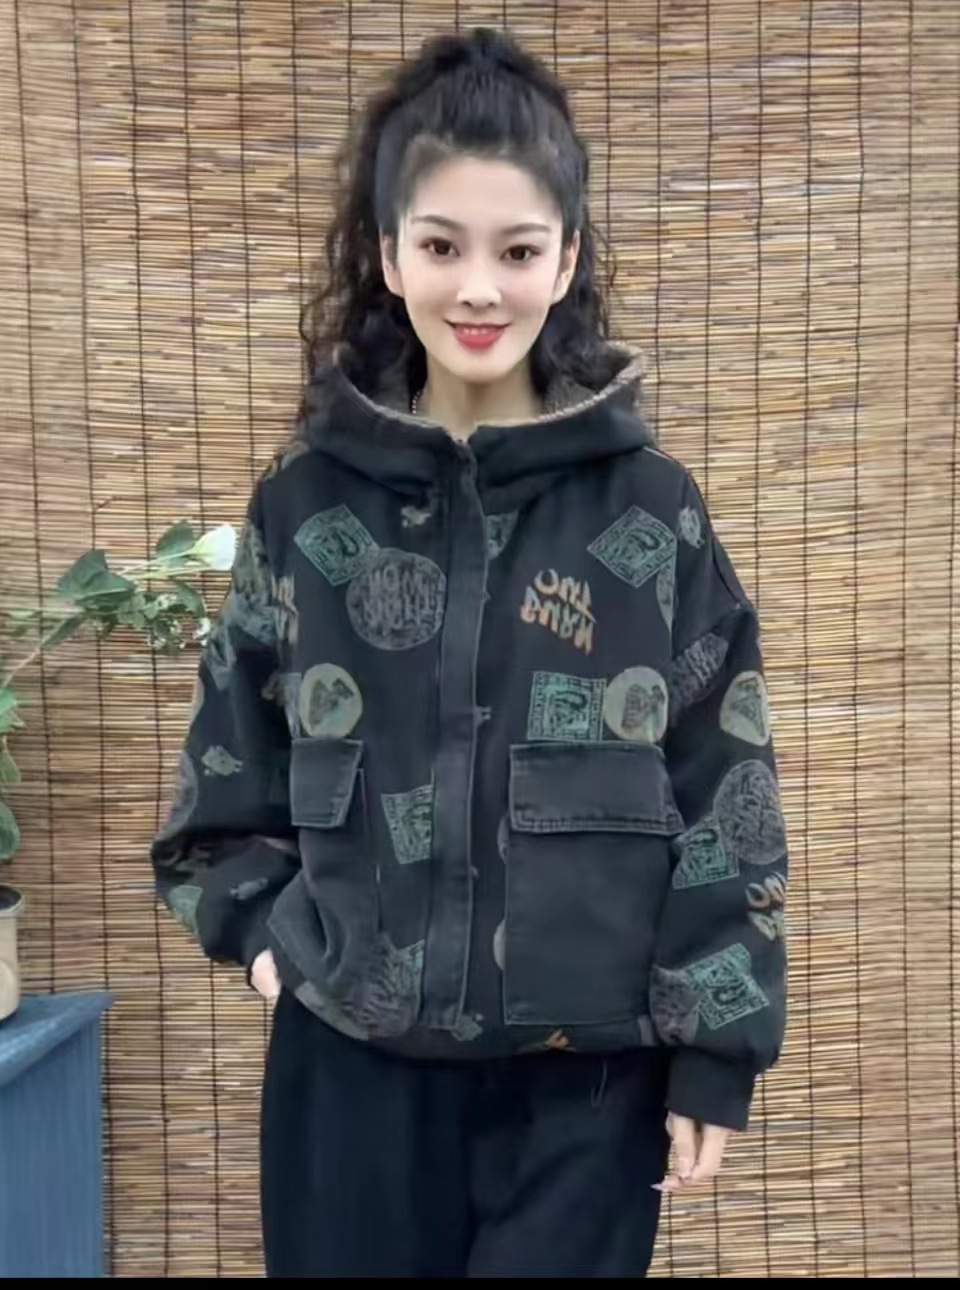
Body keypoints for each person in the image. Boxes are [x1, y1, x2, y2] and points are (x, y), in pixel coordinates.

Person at [151, 26, 788, 1279]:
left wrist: (717, 1048)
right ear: (388, 255)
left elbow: (729, 792)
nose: (479, 289)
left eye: (518, 249)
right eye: (442, 246)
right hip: (350, 1091)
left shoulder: (651, 511)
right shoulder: (304, 508)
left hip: (586, 1096)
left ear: (568, 259)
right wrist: (273, 948)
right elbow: (221, 801)